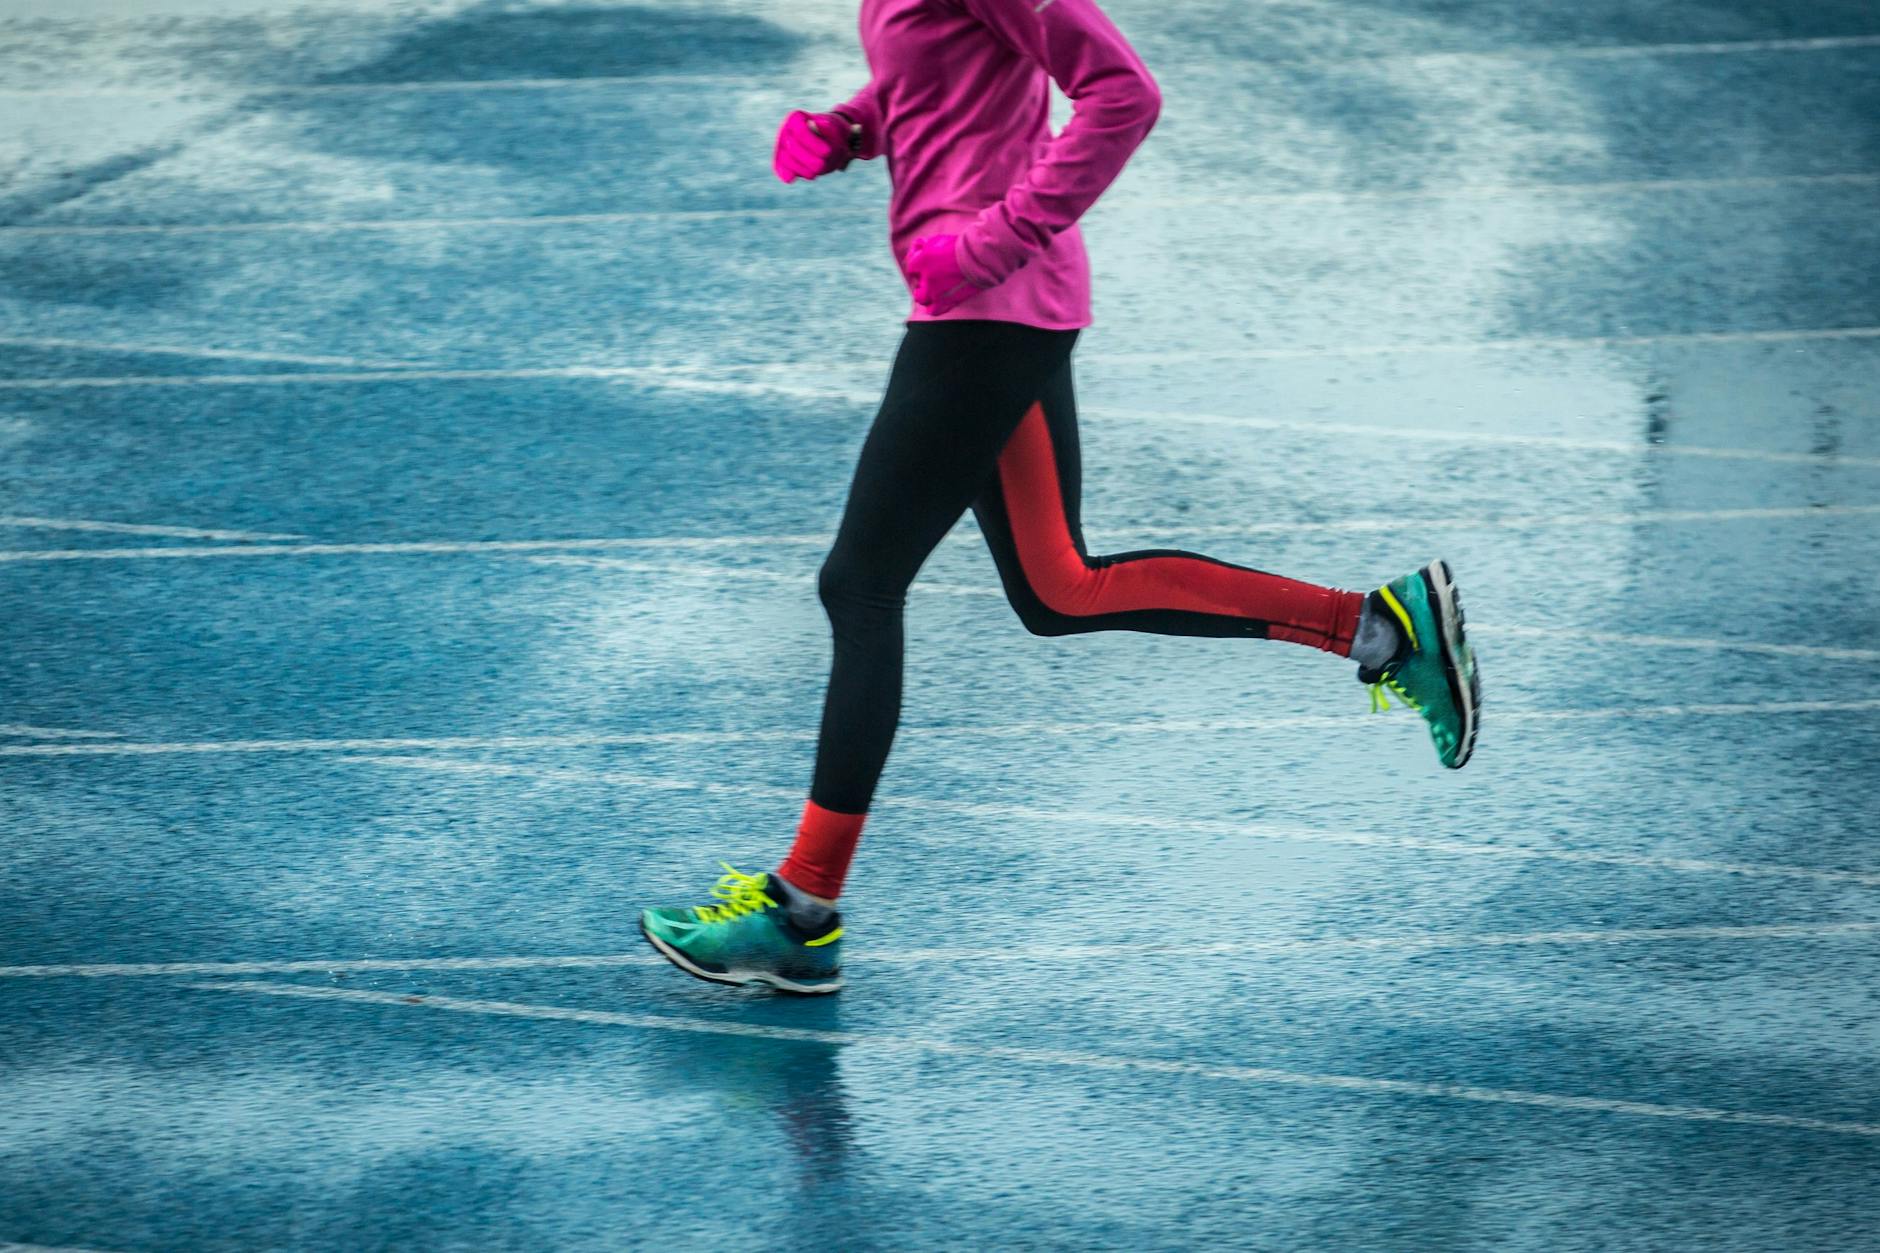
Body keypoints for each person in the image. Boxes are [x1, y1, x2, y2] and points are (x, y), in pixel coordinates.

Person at [640, 0, 1480, 994]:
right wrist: (854, 127)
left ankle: (803, 910)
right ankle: (1380, 627)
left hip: (986, 309)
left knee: (859, 583)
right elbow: (949, 73)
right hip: (991, 309)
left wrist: (999, 236)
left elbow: (1122, 92)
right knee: (1058, 587)